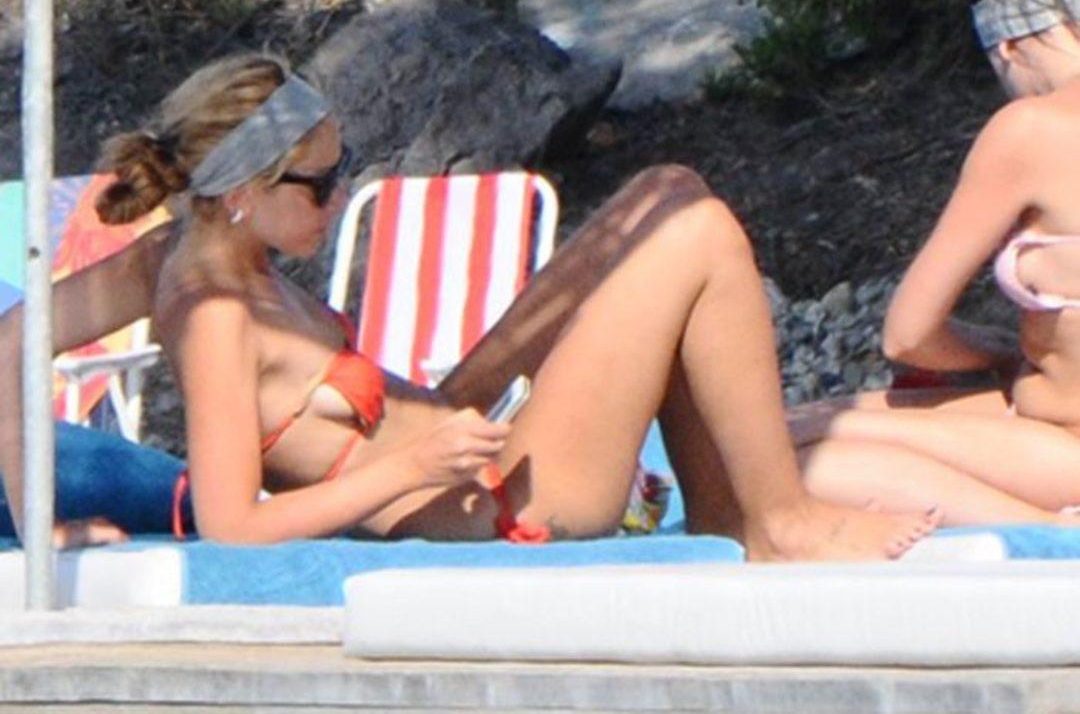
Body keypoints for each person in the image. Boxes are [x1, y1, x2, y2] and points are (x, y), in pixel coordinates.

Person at [0, 53, 941, 559]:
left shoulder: (178, 253)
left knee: (667, 188)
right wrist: (413, 466)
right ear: (243, 189)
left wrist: (34, 520)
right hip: (500, 507)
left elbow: (8, 339)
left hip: (464, 434)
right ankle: (779, 521)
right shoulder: (213, 314)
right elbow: (231, 524)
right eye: (322, 183)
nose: (339, 194)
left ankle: (729, 517)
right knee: (695, 236)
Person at [788, 0, 1080, 526]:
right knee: (797, 424)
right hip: (1047, 419)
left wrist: (996, 351)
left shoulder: (1031, 129)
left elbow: (907, 336)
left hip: (1066, 447)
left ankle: (1048, 531)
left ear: (1010, 48)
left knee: (790, 461)